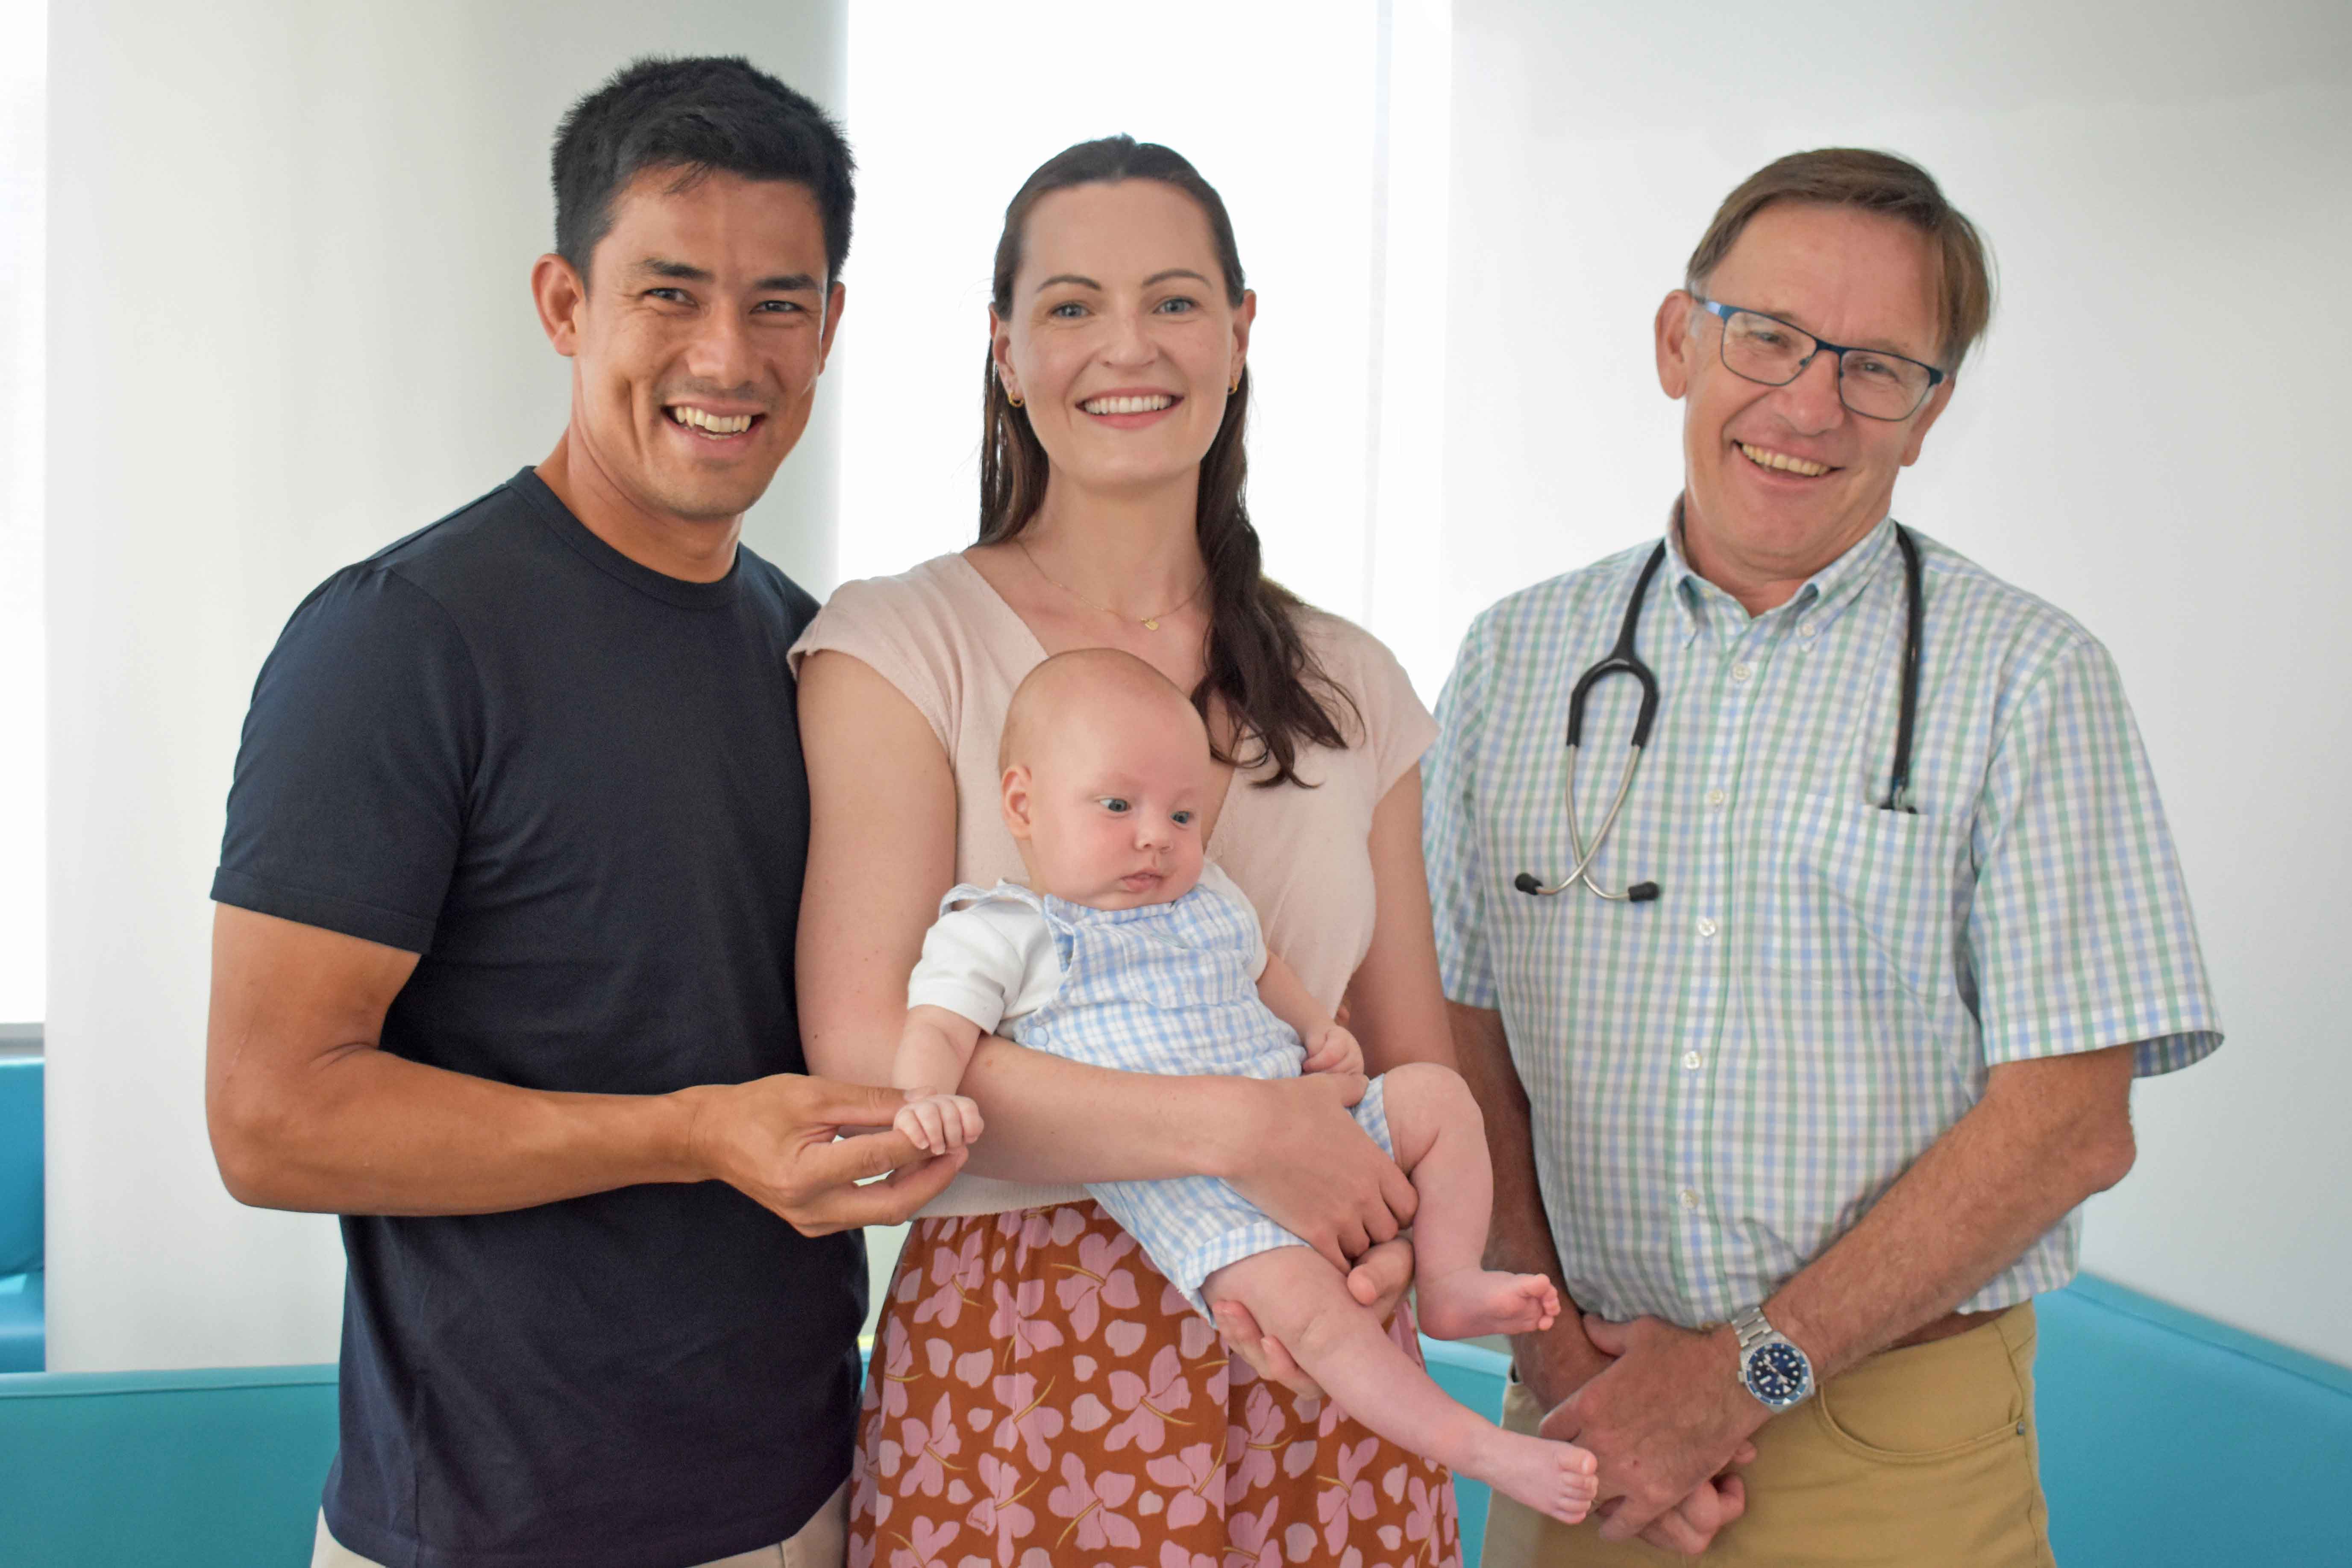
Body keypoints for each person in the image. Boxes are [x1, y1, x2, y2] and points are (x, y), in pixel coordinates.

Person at [204, 57, 964, 1568]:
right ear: (565, 304)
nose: (727, 355)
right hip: (491, 1529)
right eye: (668, 294)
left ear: (830, 326)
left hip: (807, 1501)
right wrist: (691, 1134)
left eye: (779, 303)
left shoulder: (821, 659)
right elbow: (270, 1119)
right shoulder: (402, 639)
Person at [1425, 147, 2223, 1566]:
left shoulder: (2025, 680)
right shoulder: (1514, 657)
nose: (1806, 404)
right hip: (1585, 1423)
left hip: (1887, 1445)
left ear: (1929, 411)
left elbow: (2069, 1121)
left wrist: (1738, 1378)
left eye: (1872, 367)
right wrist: (1555, 1350)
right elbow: (1458, 1029)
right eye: (1767, 336)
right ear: (1680, 339)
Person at [793, 136, 1466, 1565]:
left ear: (1238, 332)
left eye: (1172, 301)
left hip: (1326, 1354)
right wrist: (1240, 1130)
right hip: (1021, 1365)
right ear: (1003, 349)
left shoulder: (1353, 682)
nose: (1126, 347)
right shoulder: (899, 648)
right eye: (1070, 307)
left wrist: (1392, 1243)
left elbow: (1406, 1055)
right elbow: (867, 1053)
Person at [888, 649, 1599, 1525]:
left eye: (1181, 812)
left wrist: (1319, 1031)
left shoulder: (1208, 894)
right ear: (1022, 804)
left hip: (1319, 1130)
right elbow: (934, 1023)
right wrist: (926, 1094)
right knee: (1317, 1316)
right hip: (1196, 1191)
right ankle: (1478, 1448)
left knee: (1434, 1095)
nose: (1155, 833)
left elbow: (1263, 967)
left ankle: (1450, 1279)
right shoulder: (1004, 928)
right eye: (1117, 805)